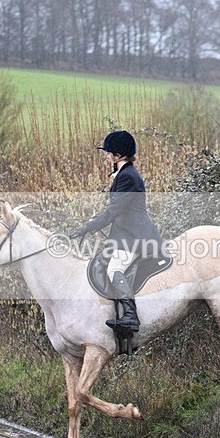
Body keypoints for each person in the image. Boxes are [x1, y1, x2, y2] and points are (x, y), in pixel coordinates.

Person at [69, 130, 164, 334]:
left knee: (114, 269)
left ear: (118, 155)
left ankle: (130, 316)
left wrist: (88, 227)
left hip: (135, 236)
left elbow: (113, 211)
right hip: (126, 234)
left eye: (108, 153)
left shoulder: (128, 176)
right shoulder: (124, 174)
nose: (106, 156)